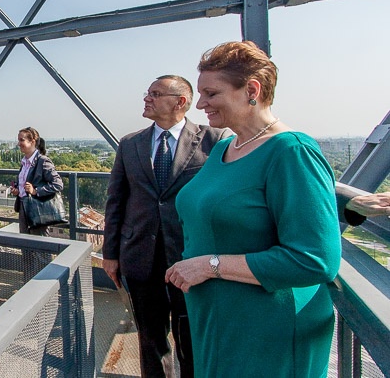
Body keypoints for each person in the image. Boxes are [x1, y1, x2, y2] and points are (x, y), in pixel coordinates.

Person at [165, 41, 342, 377]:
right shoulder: (225, 148)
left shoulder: (292, 151)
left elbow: (316, 259)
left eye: (211, 93)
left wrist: (210, 265)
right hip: (218, 322)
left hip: (265, 331)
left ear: (252, 90)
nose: (200, 104)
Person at [102, 75, 230, 378]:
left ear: (180, 102)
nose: (147, 98)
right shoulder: (130, 143)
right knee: (150, 341)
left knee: (193, 341)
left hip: (191, 257)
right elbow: (116, 201)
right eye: (148, 93)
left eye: (156, 94)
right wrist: (111, 254)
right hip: (140, 259)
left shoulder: (215, 140)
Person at [10, 126, 63, 237]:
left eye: (21, 140)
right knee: (25, 242)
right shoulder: (24, 162)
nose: (19, 144)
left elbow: (58, 184)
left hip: (38, 209)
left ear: (32, 141)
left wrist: (36, 191)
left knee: (39, 243)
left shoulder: (43, 161)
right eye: (18, 140)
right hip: (24, 206)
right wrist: (18, 190)